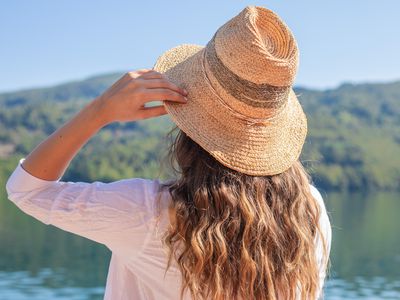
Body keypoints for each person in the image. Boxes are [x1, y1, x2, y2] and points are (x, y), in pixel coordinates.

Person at [6, 5, 332, 300]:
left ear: (190, 122)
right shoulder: (309, 214)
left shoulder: (148, 214)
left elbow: (26, 190)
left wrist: (99, 111)